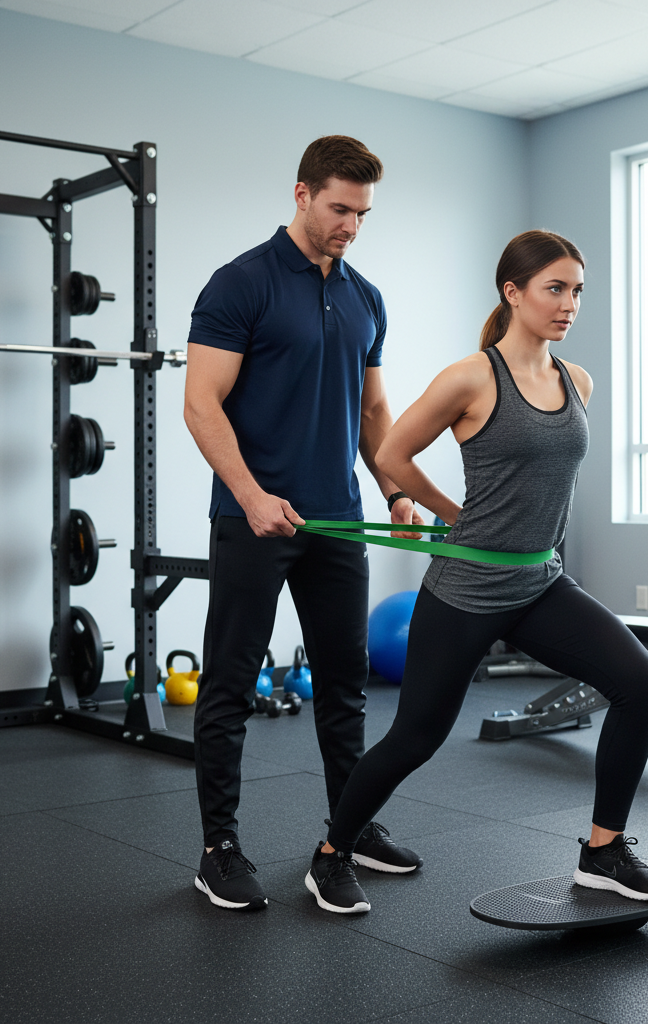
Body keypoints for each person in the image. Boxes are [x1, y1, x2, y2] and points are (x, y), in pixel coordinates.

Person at [304, 230, 648, 915]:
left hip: (540, 582)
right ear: (513, 292)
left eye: (577, 291)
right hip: (467, 590)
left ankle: (603, 851)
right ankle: (332, 853)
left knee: (640, 684)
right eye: (554, 289)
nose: (569, 304)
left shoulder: (575, 380)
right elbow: (391, 453)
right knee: (416, 737)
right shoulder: (472, 376)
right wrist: (450, 511)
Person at [183, 135, 423, 912]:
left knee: (345, 684)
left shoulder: (365, 297)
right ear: (301, 194)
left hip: (335, 522)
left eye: (363, 213)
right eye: (339, 208)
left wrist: (393, 487)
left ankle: (349, 831)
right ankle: (219, 847)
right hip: (253, 519)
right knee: (227, 685)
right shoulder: (241, 283)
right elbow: (201, 404)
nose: (351, 225)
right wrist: (251, 495)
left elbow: (373, 409)